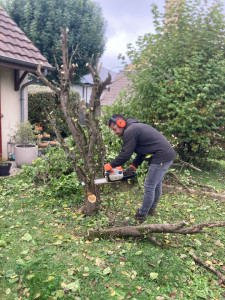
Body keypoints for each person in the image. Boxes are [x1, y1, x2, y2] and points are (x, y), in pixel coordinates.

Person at [104, 114, 176, 223]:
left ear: (120, 123)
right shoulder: (134, 128)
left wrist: (111, 165)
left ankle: (141, 215)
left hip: (161, 156)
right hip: (166, 155)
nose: (115, 132)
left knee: (149, 186)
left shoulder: (130, 130)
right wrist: (134, 165)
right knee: (156, 184)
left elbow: (125, 154)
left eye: (115, 129)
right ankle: (151, 209)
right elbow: (142, 150)